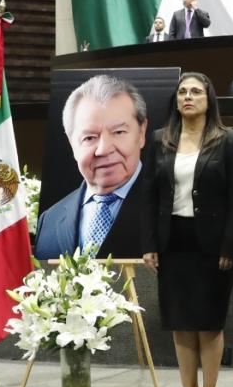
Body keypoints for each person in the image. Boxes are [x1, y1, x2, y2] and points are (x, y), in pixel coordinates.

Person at [141, 73, 233, 387]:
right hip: (174, 241)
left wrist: (231, 243)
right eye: (183, 92)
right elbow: (150, 196)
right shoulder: (160, 140)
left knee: (209, 322)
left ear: (209, 99)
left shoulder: (228, 140)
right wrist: (150, 244)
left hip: (213, 245)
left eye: (196, 92)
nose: (188, 97)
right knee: (180, 322)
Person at [34, 75, 150, 260]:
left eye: (119, 132)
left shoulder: (171, 210)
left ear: (141, 133)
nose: (104, 149)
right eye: (89, 138)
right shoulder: (50, 220)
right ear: (72, 144)